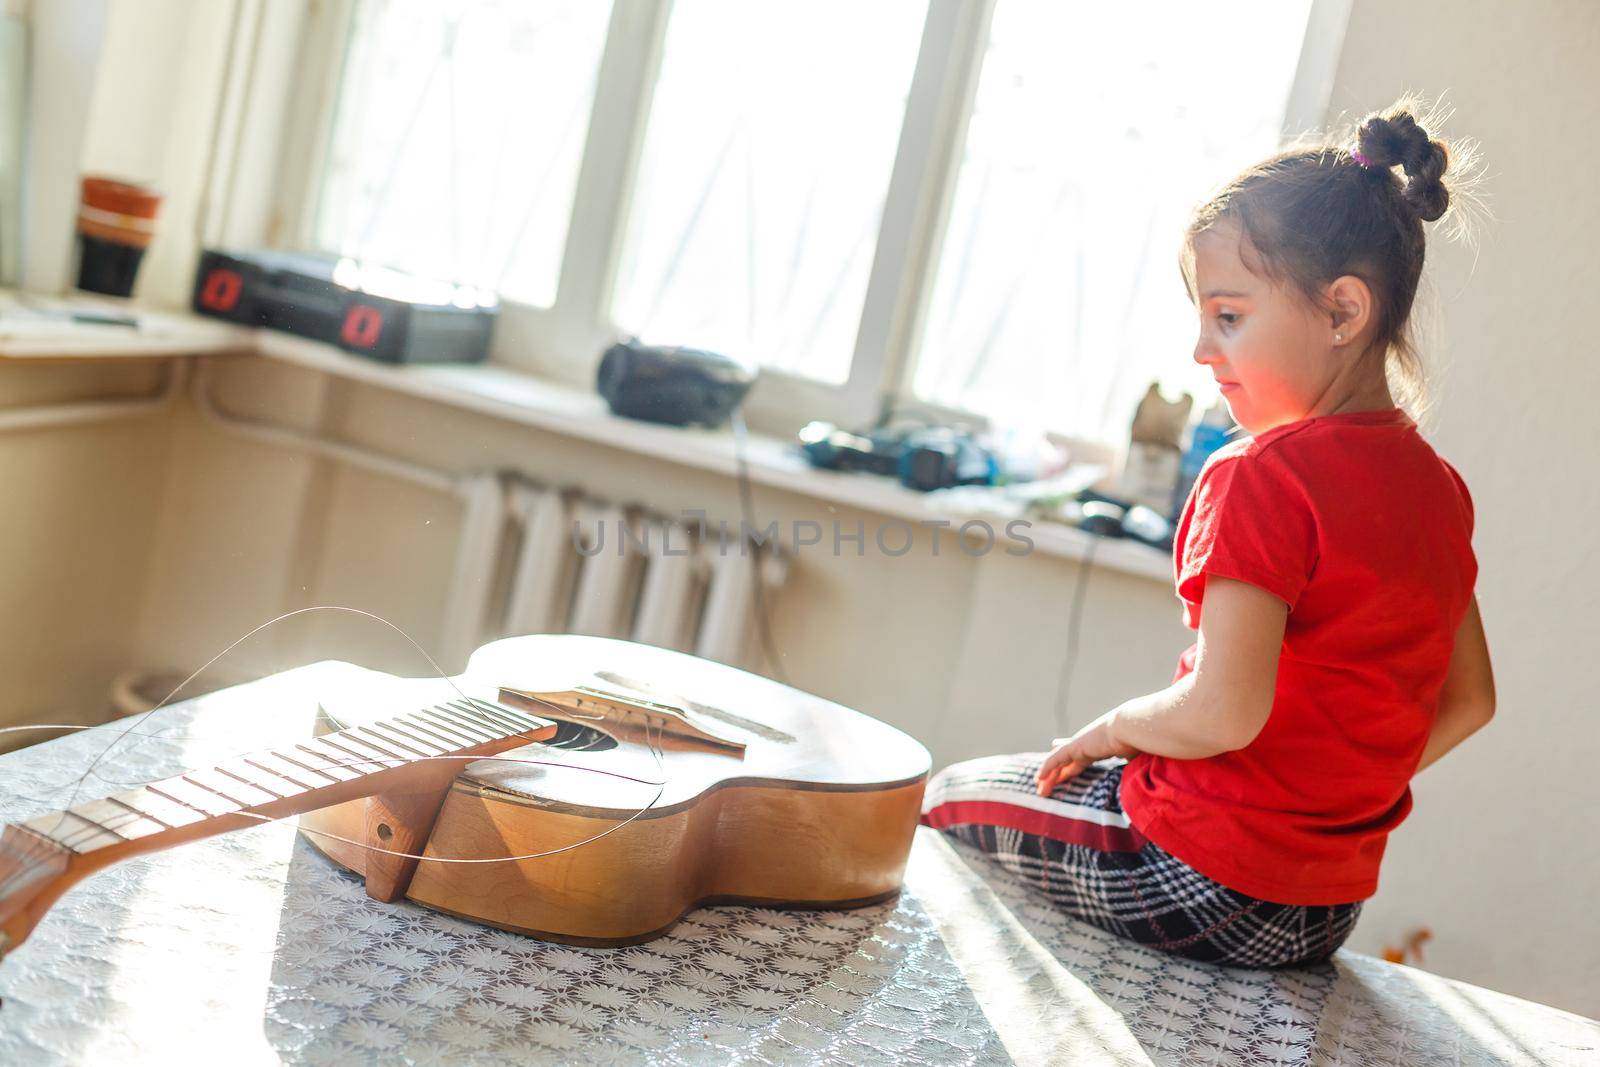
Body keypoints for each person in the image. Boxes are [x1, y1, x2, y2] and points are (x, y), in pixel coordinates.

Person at [920, 101, 1494, 968]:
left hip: (1194, 871)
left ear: (1343, 311)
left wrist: (1109, 729)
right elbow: (1470, 700)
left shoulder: (1261, 471)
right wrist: (1326, 793)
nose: (1200, 349)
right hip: (1323, 905)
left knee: (940, 803)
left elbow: (1222, 709)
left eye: (1228, 316)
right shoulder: (1440, 493)